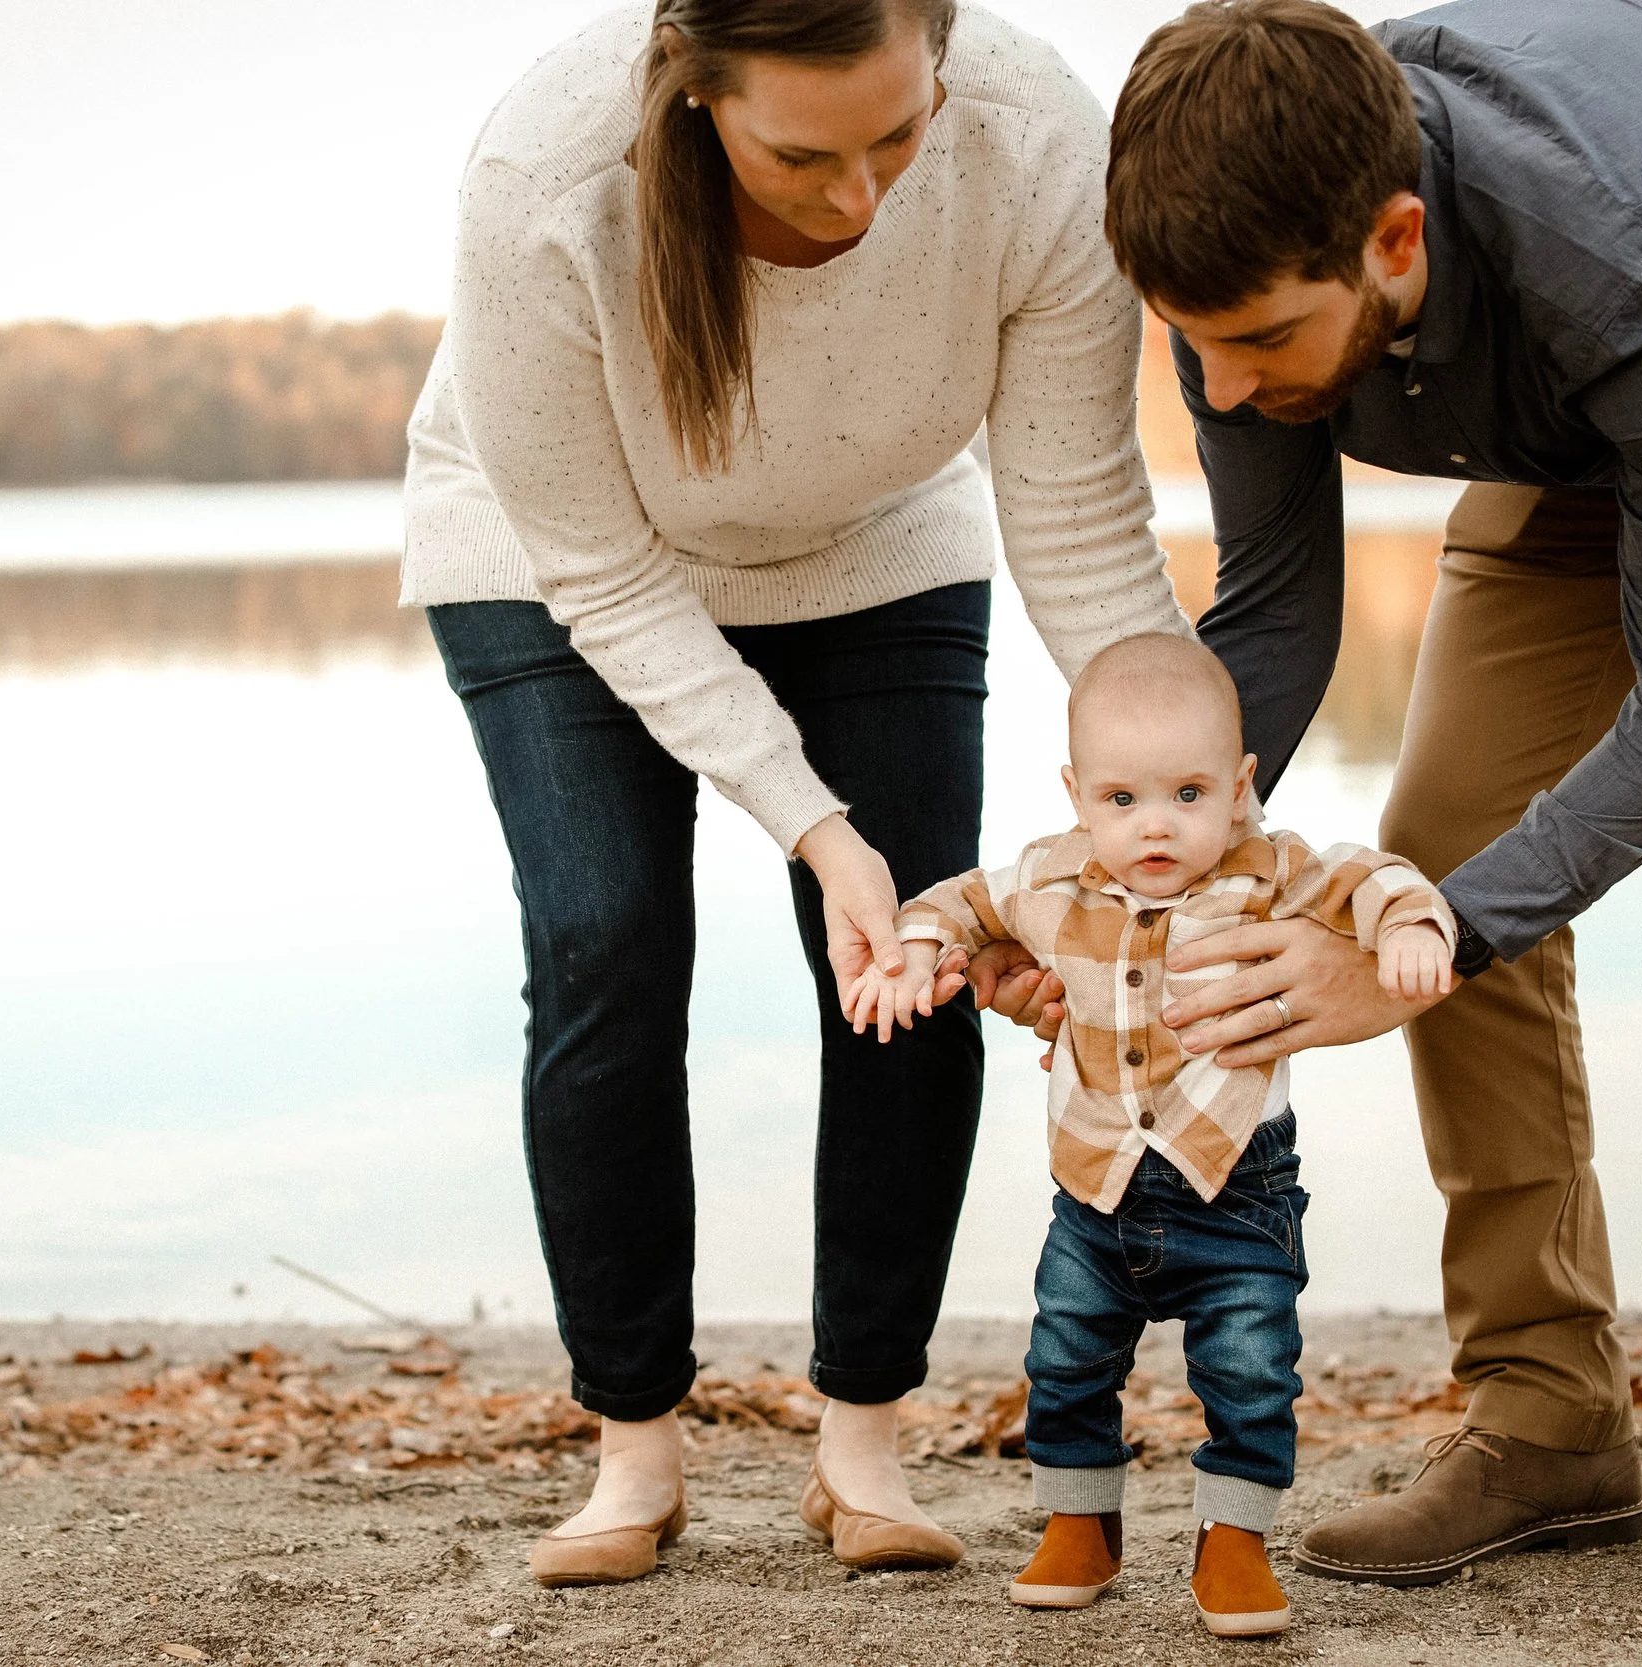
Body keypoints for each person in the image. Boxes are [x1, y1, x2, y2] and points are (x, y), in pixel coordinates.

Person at [1070, 0, 1642, 1609]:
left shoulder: (1637, 253)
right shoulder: (1241, 239)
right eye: (1190, 343)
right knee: (1425, 849)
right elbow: (1272, 618)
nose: (1224, 381)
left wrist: (1447, 936)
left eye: (1265, 340)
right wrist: (1113, 888)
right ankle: (1548, 1416)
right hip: (1592, 439)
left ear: (1396, 239)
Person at [403, 0, 1185, 1585]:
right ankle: (634, 1449)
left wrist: (1178, 826)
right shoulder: (547, 175)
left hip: (880, 543)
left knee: (916, 951)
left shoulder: (1037, 139)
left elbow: (1086, 528)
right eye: (803, 154)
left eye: (900, 134)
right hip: (562, 564)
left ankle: (863, 1441)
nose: (864, 197)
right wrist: (814, 828)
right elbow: (608, 579)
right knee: (606, 935)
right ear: (696, 96)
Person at [855, 632, 1453, 1637]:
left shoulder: (1271, 873)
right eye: (1122, 800)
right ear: (1077, 792)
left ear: (1238, 784)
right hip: (1094, 1192)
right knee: (1066, 1357)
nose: (1156, 826)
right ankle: (1080, 1522)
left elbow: (1371, 871)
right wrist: (916, 952)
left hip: (1239, 1185)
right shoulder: (1049, 880)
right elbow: (959, 900)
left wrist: (1410, 928)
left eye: (1188, 793)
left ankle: (1234, 1540)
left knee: (1251, 1366)